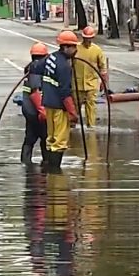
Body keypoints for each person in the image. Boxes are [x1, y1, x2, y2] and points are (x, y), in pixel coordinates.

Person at [41, 30, 81, 172]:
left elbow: (35, 67)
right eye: (73, 47)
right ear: (65, 47)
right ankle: (55, 172)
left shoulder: (50, 58)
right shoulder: (64, 66)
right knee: (60, 140)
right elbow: (65, 91)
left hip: (48, 104)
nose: (75, 50)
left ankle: (48, 168)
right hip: (59, 106)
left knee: (51, 137)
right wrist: (73, 112)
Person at [73, 26, 108, 128]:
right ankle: (72, 124)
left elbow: (103, 67)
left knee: (91, 106)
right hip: (77, 84)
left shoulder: (97, 50)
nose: (88, 40)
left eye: (89, 38)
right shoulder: (76, 49)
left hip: (91, 83)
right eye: (86, 38)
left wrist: (103, 82)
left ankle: (91, 126)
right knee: (75, 106)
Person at [21, 42, 50, 165]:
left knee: (29, 138)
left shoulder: (30, 69)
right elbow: (35, 93)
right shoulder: (36, 70)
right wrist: (42, 110)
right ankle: (47, 163)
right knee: (44, 137)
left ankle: (25, 163)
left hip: (29, 111)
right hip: (37, 112)